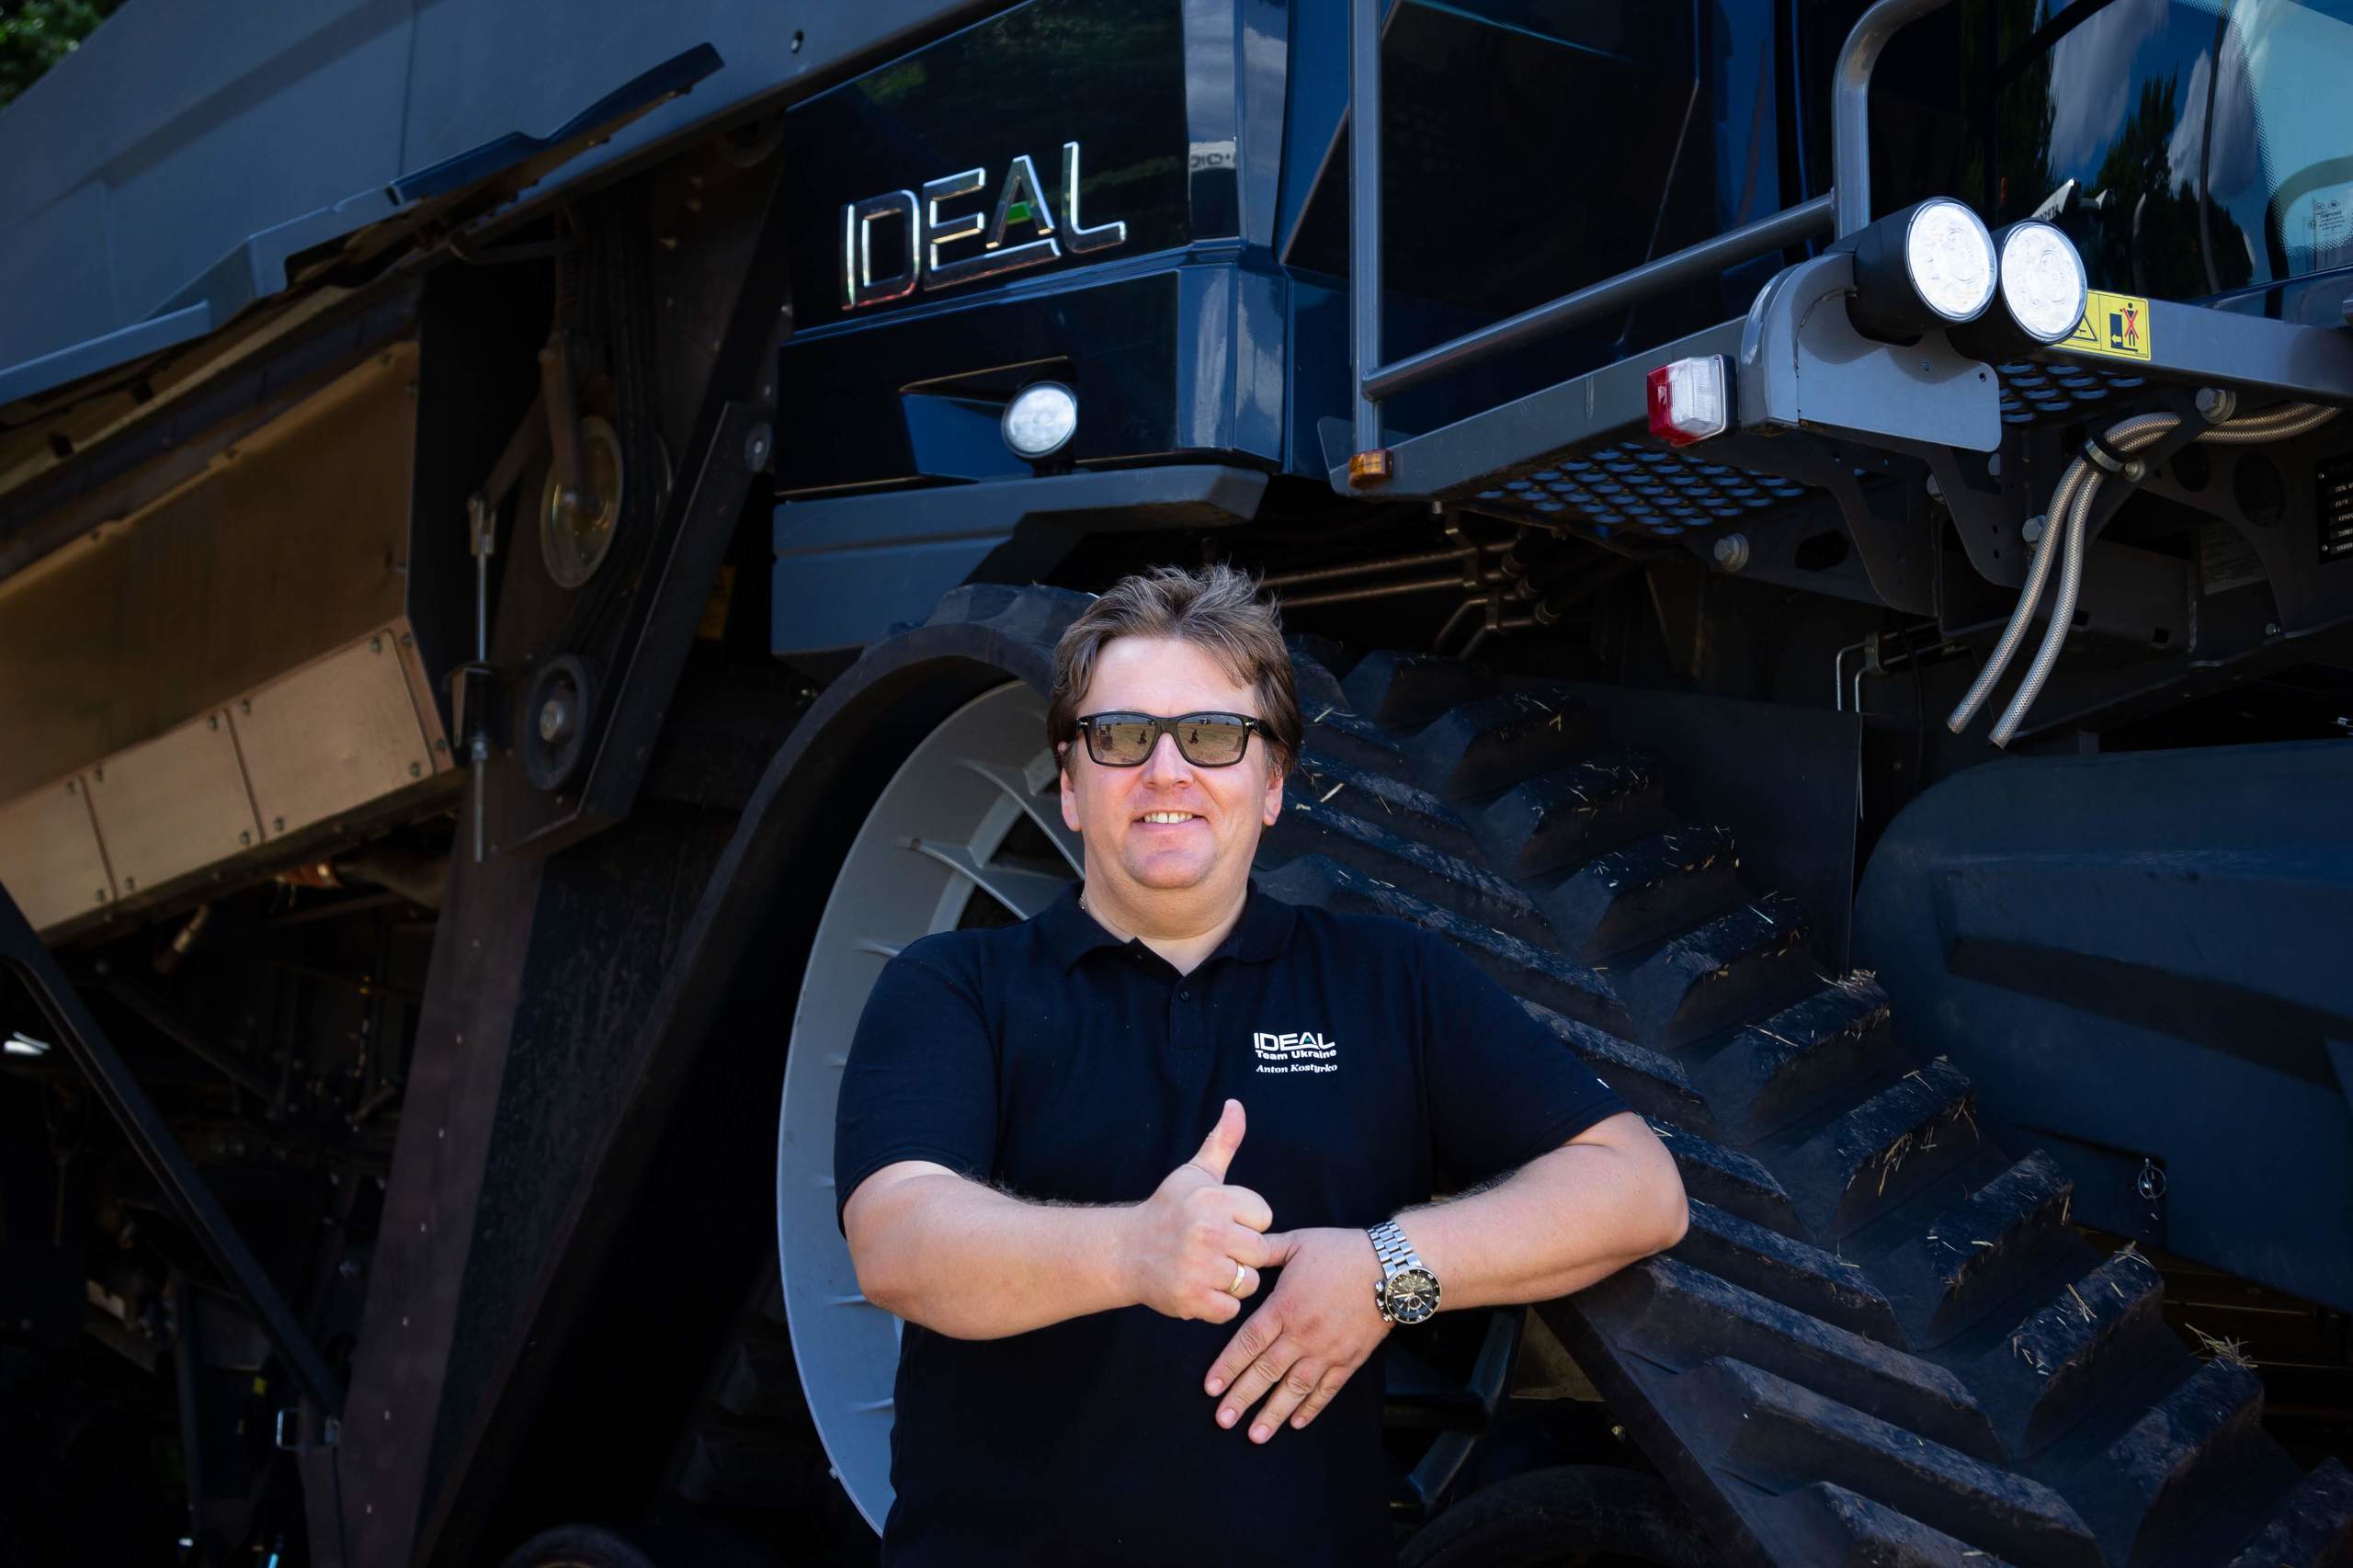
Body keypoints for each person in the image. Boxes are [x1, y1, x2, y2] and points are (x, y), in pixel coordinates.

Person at [835, 563, 1688, 1566]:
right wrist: (1133, 1253)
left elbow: (1637, 1189)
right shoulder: (955, 986)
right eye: (1120, 737)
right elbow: (898, 1241)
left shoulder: (1388, 981)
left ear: (1273, 782)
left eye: (1210, 735)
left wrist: (1387, 1270)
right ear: (1069, 784)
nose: (1165, 771)